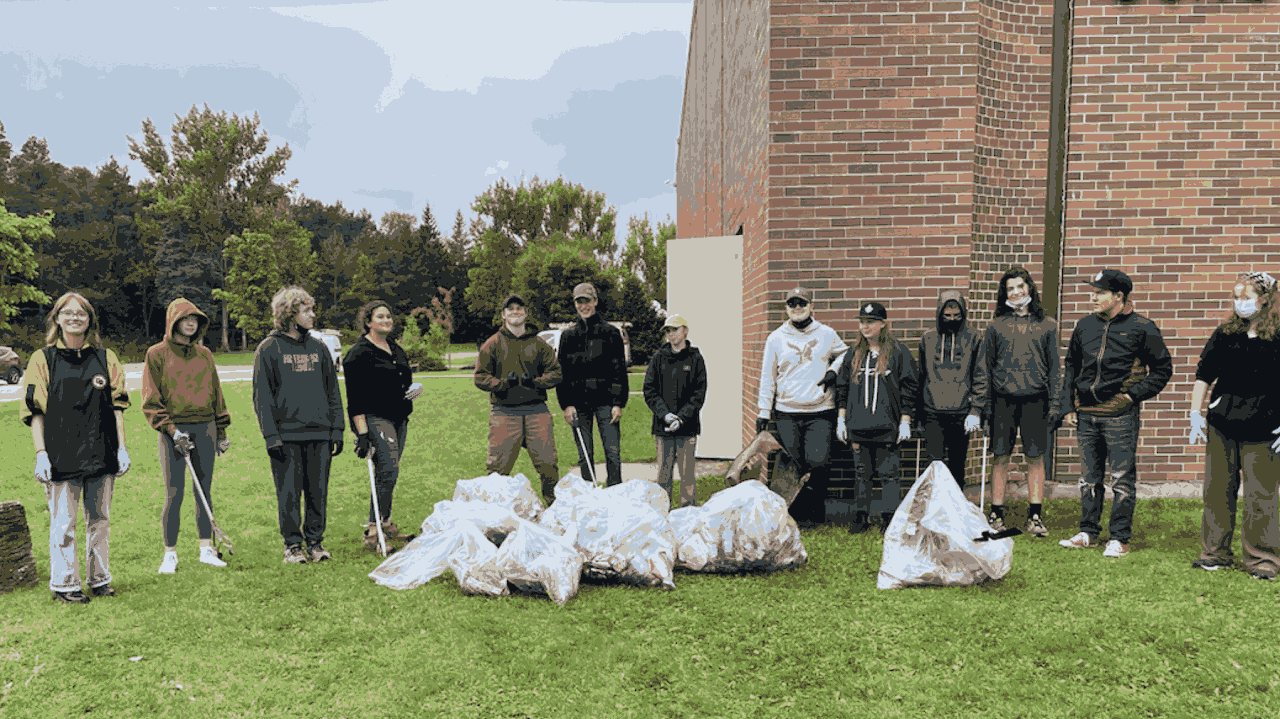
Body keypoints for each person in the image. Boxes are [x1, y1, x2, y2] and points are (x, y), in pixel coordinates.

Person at [21, 292, 131, 603]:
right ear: (57, 319)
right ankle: (65, 584)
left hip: (102, 451)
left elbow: (117, 409)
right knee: (64, 524)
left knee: (100, 521)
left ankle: (100, 580)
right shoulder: (43, 360)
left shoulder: (106, 358)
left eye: (81, 313)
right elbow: (34, 411)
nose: (74, 318)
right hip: (60, 455)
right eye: (68, 313)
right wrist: (41, 454)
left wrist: (122, 448)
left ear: (90, 319)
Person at [1059, 269, 1173, 557]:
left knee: (1121, 478)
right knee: (1089, 478)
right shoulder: (1084, 326)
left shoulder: (1142, 328)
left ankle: (1119, 538)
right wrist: (1067, 406)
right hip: (1085, 414)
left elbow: (1162, 370)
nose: (1093, 297)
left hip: (1119, 415)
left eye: (1099, 292)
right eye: (1093, 291)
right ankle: (1088, 532)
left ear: (1119, 296)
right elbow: (1071, 366)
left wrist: (1131, 396)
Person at [1186, 271, 1280, 579]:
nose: (1239, 303)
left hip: (1264, 430)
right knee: (1217, 492)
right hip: (1222, 426)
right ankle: (1214, 553)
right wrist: (1196, 414)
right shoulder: (1225, 333)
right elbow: (1204, 374)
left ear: (1264, 300)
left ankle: (1262, 559)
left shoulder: (1277, 336)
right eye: (1235, 297)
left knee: (1261, 498)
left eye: (1246, 298)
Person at [252, 286, 345, 564]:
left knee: (318, 492)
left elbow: (332, 392)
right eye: (306, 310)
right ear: (290, 314)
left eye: (311, 309)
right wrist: (271, 436)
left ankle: (315, 542)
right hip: (286, 436)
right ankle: (292, 546)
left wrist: (337, 429)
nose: (312, 315)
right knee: (289, 494)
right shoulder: (268, 349)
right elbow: (262, 397)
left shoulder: (319, 348)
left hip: (320, 433)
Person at [141, 298, 232, 574]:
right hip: (174, 429)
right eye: (186, 318)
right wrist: (172, 431)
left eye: (196, 319)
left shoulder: (205, 354)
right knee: (174, 492)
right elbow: (151, 399)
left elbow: (216, 392)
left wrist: (221, 430)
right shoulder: (156, 354)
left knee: (204, 489)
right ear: (174, 321)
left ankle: (207, 548)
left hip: (205, 427)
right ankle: (170, 553)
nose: (191, 323)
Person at [973, 267, 1064, 539]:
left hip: (1036, 400)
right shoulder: (995, 326)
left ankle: (1035, 515)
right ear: (1005, 294)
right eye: (1010, 289)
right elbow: (984, 369)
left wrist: (1056, 404)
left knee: (1035, 458)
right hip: (1002, 401)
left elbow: (1054, 369)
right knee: (1000, 456)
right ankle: (996, 513)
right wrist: (984, 407)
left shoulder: (1047, 325)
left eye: (1020, 287)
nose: (1016, 292)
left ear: (1029, 289)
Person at [756, 287, 848, 527]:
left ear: (811, 306)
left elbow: (846, 354)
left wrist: (832, 371)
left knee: (818, 462)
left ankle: (815, 514)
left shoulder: (826, 334)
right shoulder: (776, 338)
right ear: (786, 308)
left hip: (820, 411)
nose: (797, 308)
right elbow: (768, 377)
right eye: (792, 304)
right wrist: (763, 411)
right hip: (787, 412)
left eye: (802, 303)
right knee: (794, 464)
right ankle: (793, 516)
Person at [343, 300, 422, 550]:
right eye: (380, 317)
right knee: (387, 467)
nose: (386, 321)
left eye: (388, 316)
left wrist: (414, 389)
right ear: (368, 322)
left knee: (391, 470)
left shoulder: (395, 349)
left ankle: (383, 521)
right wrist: (362, 434)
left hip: (399, 417)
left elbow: (402, 380)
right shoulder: (358, 354)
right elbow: (355, 399)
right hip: (375, 418)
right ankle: (373, 531)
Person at [835, 301, 918, 531]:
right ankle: (861, 518)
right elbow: (842, 387)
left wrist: (905, 421)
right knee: (862, 474)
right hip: (858, 426)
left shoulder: (899, 352)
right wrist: (842, 420)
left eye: (870, 322)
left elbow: (909, 388)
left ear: (883, 324)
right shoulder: (853, 353)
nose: (865, 326)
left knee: (889, 474)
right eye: (862, 322)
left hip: (887, 426)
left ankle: (889, 519)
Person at [475, 294, 563, 503]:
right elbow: (480, 377)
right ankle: (494, 512)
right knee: (498, 467)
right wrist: (502, 383)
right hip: (504, 412)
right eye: (510, 308)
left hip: (536, 410)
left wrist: (537, 382)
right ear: (503, 315)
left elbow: (556, 373)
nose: (515, 311)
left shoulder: (539, 344)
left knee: (548, 464)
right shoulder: (493, 343)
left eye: (519, 308)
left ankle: (553, 506)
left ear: (525, 313)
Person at [557, 283, 629, 487]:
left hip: (607, 403)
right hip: (579, 405)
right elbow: (563, 374)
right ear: (575, 305)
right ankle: (590, 496)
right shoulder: (568, 336)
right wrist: (567, 405)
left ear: (595, 301)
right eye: (579, 302)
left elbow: (619, 371)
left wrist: (618, 403)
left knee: (613, 452)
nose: (584, 306)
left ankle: (615, 492)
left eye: (587, 301)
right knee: (585, 455)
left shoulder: (611, 333)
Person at [917, 289, 984, 488]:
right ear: (939, 313)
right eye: (947, 316)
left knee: (957, 465)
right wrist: (918, 413)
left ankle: (956, 512)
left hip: (961, 412)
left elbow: (981, 375)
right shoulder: (928, 338)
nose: (952, 319)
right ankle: (935, 510)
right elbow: (921, 376)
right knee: (934, 466)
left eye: (957, 316)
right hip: (932, 411)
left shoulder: (974, 337)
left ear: (963, 314)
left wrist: (976, 410)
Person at [643, 314, 708, 509]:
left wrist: (681, 417)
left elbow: (699, 393)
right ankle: (663, 510)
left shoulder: (696, 359)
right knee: (663, 474)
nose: (672, 334)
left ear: (685, 331)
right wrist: (664, 414)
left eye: (675, 329)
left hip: (687, 428)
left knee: (687, 475)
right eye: (668, 331)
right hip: (663, 428)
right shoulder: (658, 358)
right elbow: (649, 390)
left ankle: (689, 513)